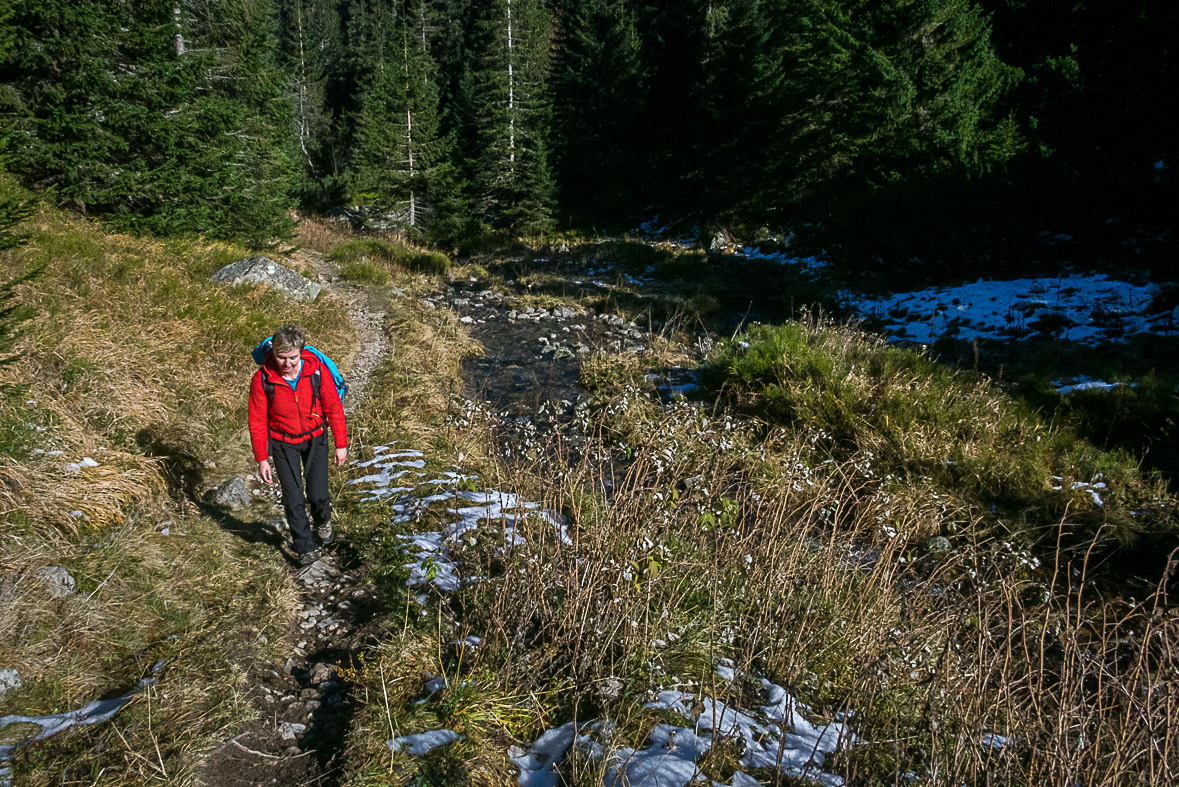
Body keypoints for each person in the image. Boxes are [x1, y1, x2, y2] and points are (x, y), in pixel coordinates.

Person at [248, 324, 348, 565]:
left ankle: (323, 522)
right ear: (273, 354)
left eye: (292, 357)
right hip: (283, 444)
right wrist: (262, 458)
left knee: (318, 494)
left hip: (316, 439)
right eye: (281, 357)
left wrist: (340, 444)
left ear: (301, 353)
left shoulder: (317, 372)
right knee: (293, 499)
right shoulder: (262, 379)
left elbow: (334, 407)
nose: (287, 363)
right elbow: (257, 420)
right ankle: (305, 548)